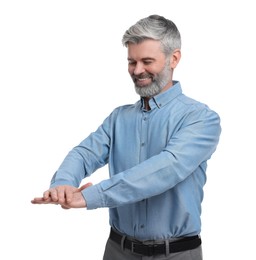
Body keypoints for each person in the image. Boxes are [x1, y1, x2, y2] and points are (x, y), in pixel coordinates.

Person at [31, 14, 221, 260]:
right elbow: (85, 153)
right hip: (117, 251)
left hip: (176, 254)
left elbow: (164, 170)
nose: (137, 70)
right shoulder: (119, 118)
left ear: (173, 59)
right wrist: (64, 185)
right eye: (132, 62)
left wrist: (90, 196)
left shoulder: (201, 119)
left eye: (147, 61)